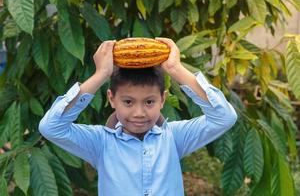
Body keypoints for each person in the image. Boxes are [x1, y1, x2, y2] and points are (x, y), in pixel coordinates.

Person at [39, 38, 237, 196]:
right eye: (128, 102)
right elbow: (51, 127)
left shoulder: (174, 137)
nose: (139, 113)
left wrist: (176, 69)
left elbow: (224, 117)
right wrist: (101, 74)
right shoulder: (100, 142)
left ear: (163, 99)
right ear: (112, 99)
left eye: (149, 102)